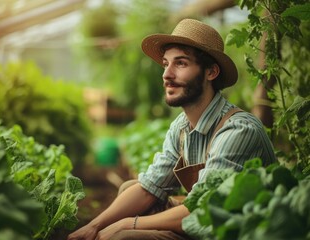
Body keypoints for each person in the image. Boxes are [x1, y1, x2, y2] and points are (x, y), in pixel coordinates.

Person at [67, 18, 277, 240]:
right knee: (130, 188)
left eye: (181, 63)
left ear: (211, 72)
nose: (167, 74)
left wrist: (130, 224)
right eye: (166, 64)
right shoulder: (182, 127)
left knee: (124, 235)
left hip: (234, 231)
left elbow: (204, 209)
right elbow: (150, 186)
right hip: (203, 225)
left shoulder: (238, 130)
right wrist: (94, 225)